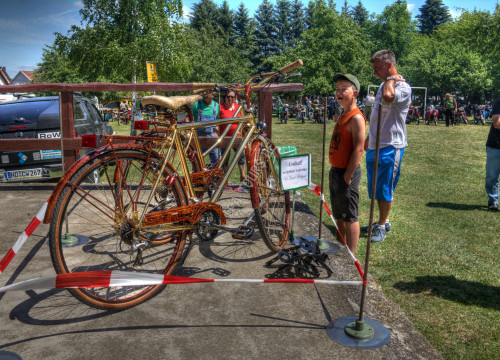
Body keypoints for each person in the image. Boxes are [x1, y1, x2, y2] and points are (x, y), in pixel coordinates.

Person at [362, 49, 411, 243]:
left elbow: (389, 97)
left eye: (377, 68)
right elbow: (376, 114)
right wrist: (369, 136)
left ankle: (381, 225)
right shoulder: (384, 85)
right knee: (374, 187)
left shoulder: (403, 88)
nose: (375, 73)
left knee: (385, 187)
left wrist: (391, 77)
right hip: (375, 144)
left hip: (391, 145)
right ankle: (384, 221)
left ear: (388, 65)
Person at [329, 74, 366, 254]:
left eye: (344, 88)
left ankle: (351, 255)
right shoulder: (342, 115)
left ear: (355, 93)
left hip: (347, 173)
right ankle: (339, 246)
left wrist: (347, 177)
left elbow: (358, 150)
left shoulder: (356, 118)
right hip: (335, 171)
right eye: (337, 89)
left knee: (350, 215)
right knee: (338, 213)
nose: (339, 92)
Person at [219, 90, 247, 182]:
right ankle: (225, 179)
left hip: (236, 136)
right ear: (225, 97)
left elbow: (242, 120)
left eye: (232, 97)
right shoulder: (220, 107)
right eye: (228, 97)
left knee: (241, 155)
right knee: (225, 158)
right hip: (224, 137)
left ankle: (242, 174)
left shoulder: (238, 107)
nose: (230, 98)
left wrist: (241, 129)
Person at [191, 91, 220, 165]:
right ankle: (196, 175)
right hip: (199, 136)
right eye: (203, 91)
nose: (204, 93)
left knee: (217, 159)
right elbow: (189, 118)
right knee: (196, 160)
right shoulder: (196, 105)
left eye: (207, 92)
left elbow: (217, 120)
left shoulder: (216, 106)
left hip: (212, 135)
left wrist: (217, 131)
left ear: (213, 95)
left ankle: (216, 175)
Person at [485, 99, 500, 211]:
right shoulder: (498, 103)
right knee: (492, 176)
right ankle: (493, 200)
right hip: (496, 145)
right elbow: (497, 123)